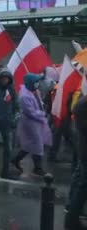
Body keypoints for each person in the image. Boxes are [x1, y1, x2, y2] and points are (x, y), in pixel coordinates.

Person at [11, 73, 51, 176]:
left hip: (36, 122)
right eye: (36, 81)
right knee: (37, 144)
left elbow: (39, 104)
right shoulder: (24, 96)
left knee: (31, 144)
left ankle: (16, 160)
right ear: (31, 83)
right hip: (30, 122)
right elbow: (30, 111)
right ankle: (38, 168)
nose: (38, 83)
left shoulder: (33, 91)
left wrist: (42, 106)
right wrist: (42, 114)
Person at [65, 93, 87, 229]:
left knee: (82, 186)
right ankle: (71, 220)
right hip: (86, 152)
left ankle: (72, 219)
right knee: (83, 187)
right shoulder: (82, 106)